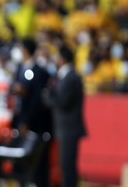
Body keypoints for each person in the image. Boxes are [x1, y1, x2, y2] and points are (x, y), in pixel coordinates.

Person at [10, 39, 53, 187]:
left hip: (34, 125)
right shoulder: (20, 68)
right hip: (19, 121)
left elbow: (37, 101)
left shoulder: (40, 72)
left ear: (26, 50)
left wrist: (26, 121)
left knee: (37, 162)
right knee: (20, 162)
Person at [43, 44, 87, 187]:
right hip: (64, 128)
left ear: (62, 58)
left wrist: (47, 95)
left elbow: (62, 101)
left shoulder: (72, 77)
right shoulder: (64, 76)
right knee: (64, 164)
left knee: (67, 165)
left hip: (69, 128)